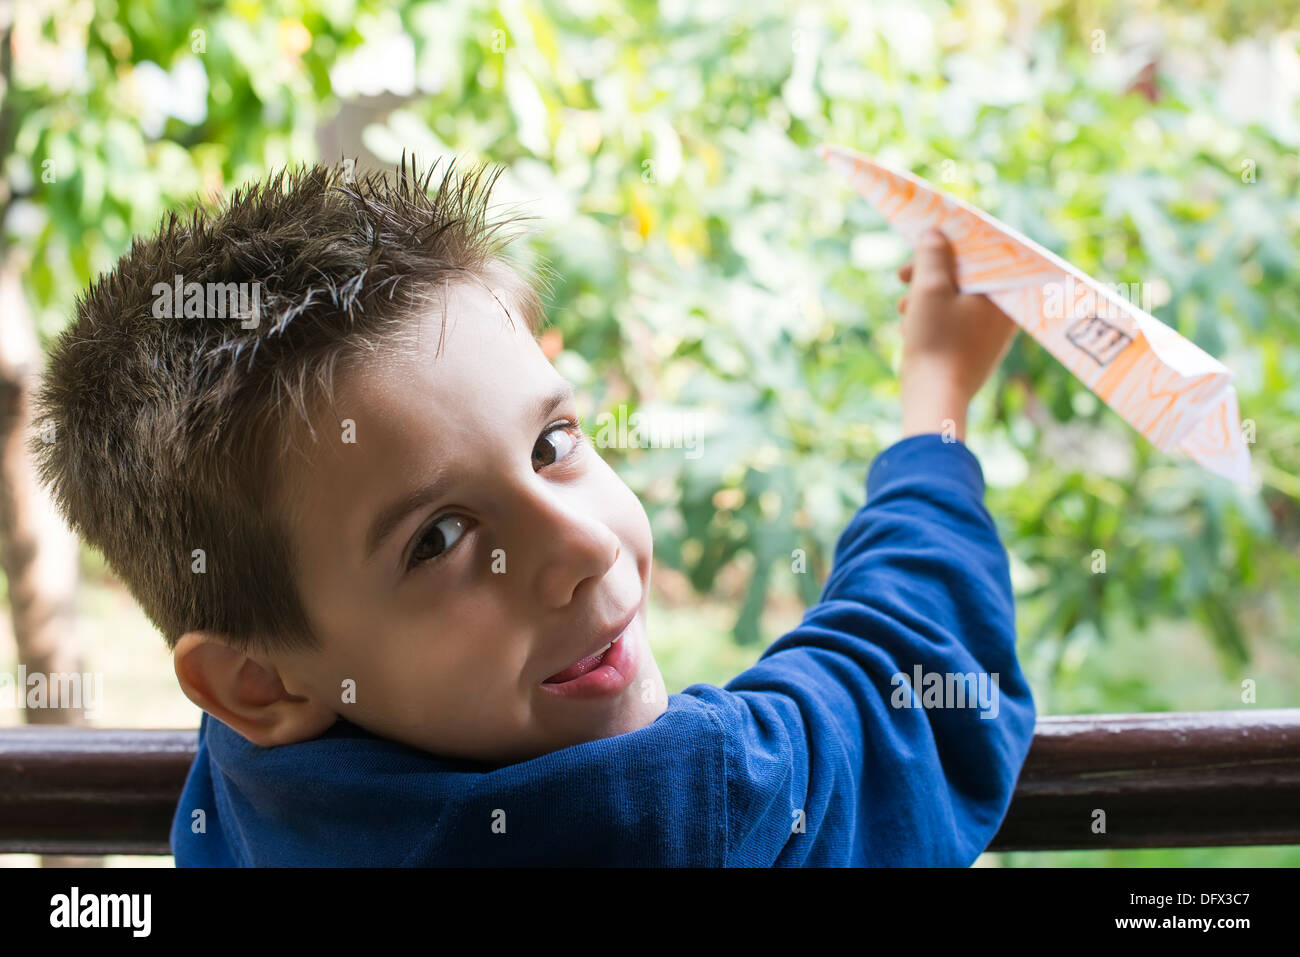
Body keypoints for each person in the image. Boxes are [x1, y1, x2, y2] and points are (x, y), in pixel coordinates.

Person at [32, 157, 1033, 865]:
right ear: (251, 681)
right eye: (439, 538)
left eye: (552, 446)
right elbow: (909, 686)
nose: (586, 546)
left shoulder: (261, 778)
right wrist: (934, 400)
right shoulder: (665, 813)